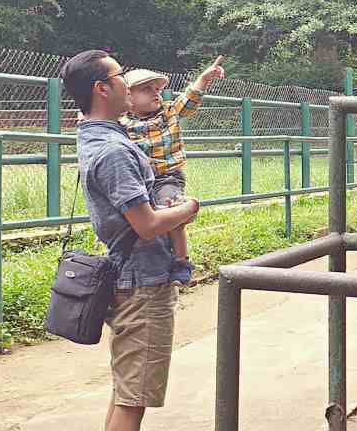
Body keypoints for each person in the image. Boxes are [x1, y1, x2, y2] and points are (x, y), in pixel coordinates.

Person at [60, 50, 200, 431]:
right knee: (133, 398)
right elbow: (147, 224)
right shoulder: (115, 151)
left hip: (131, 276)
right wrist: (189, 209)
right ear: (102, 89)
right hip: (143, 282)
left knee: (127, 392)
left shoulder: (96, 136)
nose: (127, 81)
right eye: (120, 75)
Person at [119, 56, 226, 285]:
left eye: (156, 89)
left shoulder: (168, 113)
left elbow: (190, 99)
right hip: (139, 180)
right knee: (138, 218)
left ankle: (181, 260)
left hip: (168, 177)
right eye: (146, 89)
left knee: (172, 209)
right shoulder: (123, 124)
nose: (155, 93)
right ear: (128, 97)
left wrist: (204, 78)